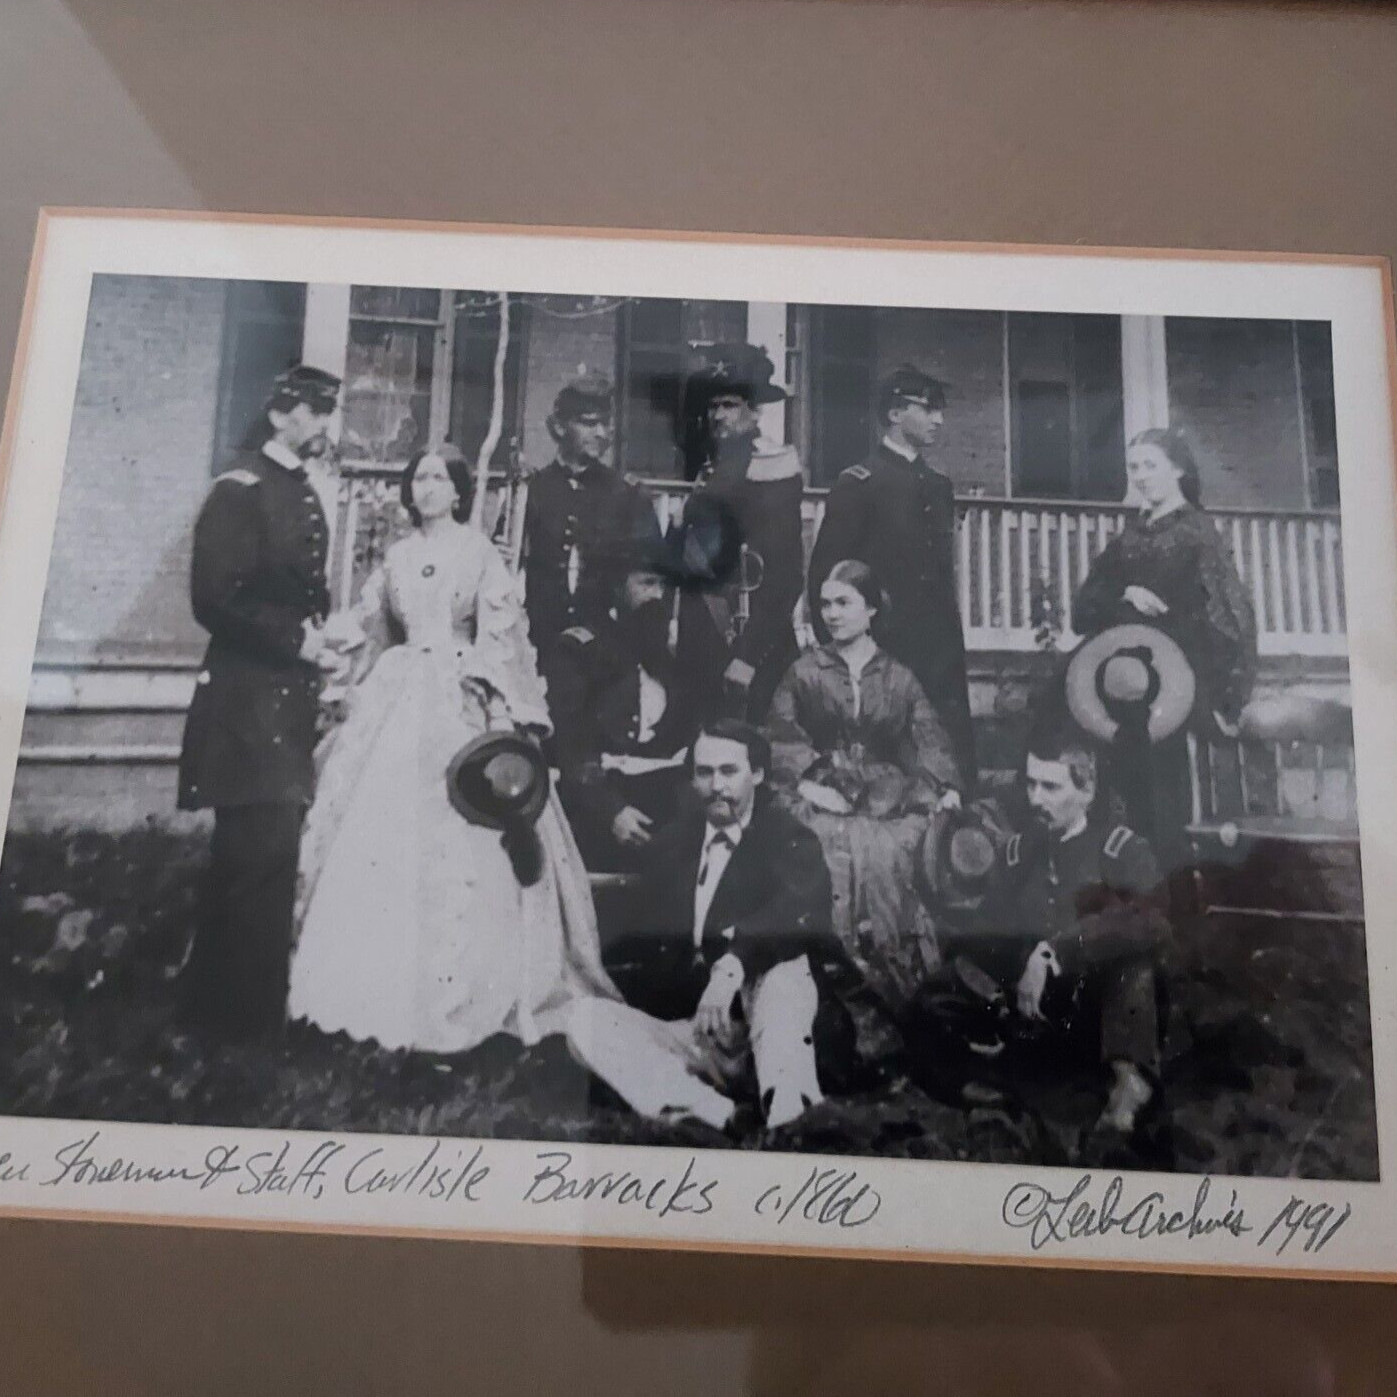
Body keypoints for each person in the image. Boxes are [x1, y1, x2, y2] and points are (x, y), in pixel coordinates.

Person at [286, 447, 618, 1054]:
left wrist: (499, 698)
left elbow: (502, 633)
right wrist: (339, 664)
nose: (428, 487)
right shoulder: (398, 555)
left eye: (439, 478)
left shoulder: (479, 553)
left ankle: (471, 988)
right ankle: (361, 981)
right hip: (399, 690)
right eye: (419, 478)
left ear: (460, 491)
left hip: (459, 693)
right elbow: (372, 622)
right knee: (377, 828)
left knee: (466, 823)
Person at [565, 722, 844, 1132]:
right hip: (702, 1035)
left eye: (729, 772)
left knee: (785, 970)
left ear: (759, 775)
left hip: (772, 1030)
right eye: (704, 772)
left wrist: (732, 966)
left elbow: (798, 911)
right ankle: (715, 1114)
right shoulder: (675, 843)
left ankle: (789, 1117)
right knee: (583, 1019)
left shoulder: (786, 836)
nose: (716, 786)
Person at [177, 364, 343, 1042]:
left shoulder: (298, 490)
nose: (326, 427)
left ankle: (227, 1017)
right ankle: (233, 1025)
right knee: (253, 852)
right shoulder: (240, 490)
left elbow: (299, 591)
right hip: (246, 703)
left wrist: (325, 638)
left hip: (284, 703)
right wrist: (299, 644)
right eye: (318, 412)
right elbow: (215, 596)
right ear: (282, 415)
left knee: (266, 853)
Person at [915, 729, 1170, 1136]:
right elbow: (987, 932)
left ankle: (1129, 1083)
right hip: (1033, 1011)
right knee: (936, 990)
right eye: (1031, 784)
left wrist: (1055, 950)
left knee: (1132, 965)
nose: (1036, 799)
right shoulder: (1018, 853)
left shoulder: (1120, 850)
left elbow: (1152, 917)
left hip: (1095, 1013)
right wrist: (990, 994)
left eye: (1051, 787)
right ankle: (978, 1087)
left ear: (1086, 791)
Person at [767, 560, 962, 1022]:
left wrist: (945, 785)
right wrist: (815, 777)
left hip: (884, 794)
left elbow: (926, 734)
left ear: (871, 609)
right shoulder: (804, 671)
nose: (831, 614)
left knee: (890, 848)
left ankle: (890, 990)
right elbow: (780, 733)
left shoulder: (898, 676)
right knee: (828, 843)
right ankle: (829, 989)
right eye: (825, 604)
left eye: (843, 603)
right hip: (819, 788)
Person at [1071, 426, 1258, 857]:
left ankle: (1165, 889)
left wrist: (1227, 689)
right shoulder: (1130, 536)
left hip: (1174, 680)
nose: (1140, 476)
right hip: (1116, 679)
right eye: (1133, 467)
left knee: (1162, 795)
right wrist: (1125, 593)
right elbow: (1084, 609)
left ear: (1177, 470)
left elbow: (1231, 616)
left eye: (1150, 466)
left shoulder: (1198, 533)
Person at [807, 365, 976, 787]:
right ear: (896, 414)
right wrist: (836, 647)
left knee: (946, 763)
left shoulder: (939, 486)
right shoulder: (859, 483)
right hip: (883, 650)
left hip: (938, 652)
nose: (939, 420)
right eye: (930, 409)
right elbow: (825, 575)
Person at [670, 344, 805, 724]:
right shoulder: (713, 468)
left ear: (756, 409)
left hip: (746, 645)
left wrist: (748, 656)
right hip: (702, 645)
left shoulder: (772, 470)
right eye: (712, 406)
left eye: (728, 404)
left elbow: (785, 576)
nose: (716, 416)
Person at [545, 546, 697, 871]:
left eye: (663, 587)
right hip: (602, 809)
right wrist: (611, 812)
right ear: (617, 587)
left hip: (668, 814)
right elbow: (572, 748)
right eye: (646, 584)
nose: (657, 596)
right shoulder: (578, 653)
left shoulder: (670, 662)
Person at [522, 374, 658, 665]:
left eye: (606, 423)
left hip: (608, 652)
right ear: (559, 427)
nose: (602, 433)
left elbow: (648, 586)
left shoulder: (628, 496)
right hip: (540, 648)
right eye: (588, 423)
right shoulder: (531, 492)